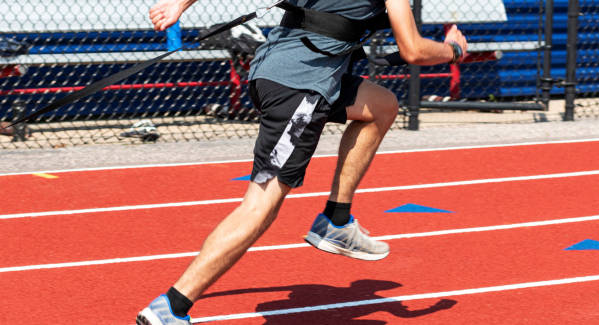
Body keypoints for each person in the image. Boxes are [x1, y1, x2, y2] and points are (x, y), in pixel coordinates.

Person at [138, 0, 467, 324]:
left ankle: (336, 220)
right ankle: (172, 305)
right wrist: (453, 50)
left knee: (381, 106)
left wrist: (178, 5)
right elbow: (413, 50)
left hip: (280, 69)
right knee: (260, 206)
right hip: (300, 85)